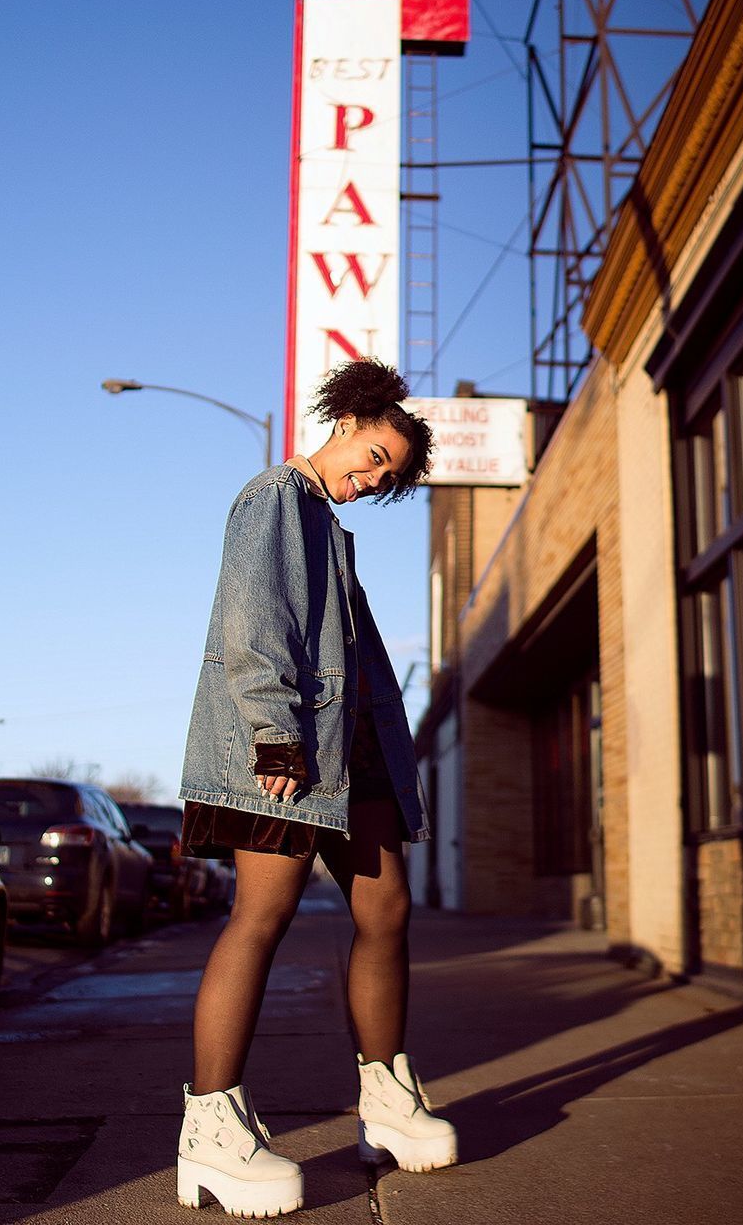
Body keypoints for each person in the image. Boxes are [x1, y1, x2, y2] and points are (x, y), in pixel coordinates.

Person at [174, 358, 458, 1217]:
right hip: (287, 750)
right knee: (260, 919)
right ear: (345, 423)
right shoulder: (275, 498)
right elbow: (255, 624)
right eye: (370, 456)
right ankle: (212, 1132)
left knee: (387, 913)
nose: (370, 480)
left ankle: (387, 1099)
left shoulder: (328, 527)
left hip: (351, 752)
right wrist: (274, 736)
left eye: (388, 476)